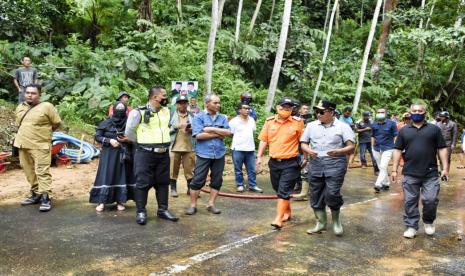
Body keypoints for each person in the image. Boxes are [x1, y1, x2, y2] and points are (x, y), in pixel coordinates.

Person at [391, 103, 449, 239]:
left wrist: (445, 168)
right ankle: (411, 226)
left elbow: (442, 148)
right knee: (410, 201)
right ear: (410, 113)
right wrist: (394, 170)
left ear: (425, 112)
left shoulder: (434, 129)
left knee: (430, 200)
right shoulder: (404, 131)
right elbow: (398, 149)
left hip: (430, 172)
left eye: (420, 110)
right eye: (414, 110)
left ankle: (428, 221)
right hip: (410, 173)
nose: (417, 112)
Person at [125, 86, 178, 225]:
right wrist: (142, 142)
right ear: (155, 97)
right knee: (142, 182)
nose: (166, 98)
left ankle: (162, 210)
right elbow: (129, 132)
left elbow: (172, 127)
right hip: (145, 153)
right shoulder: (138, 112)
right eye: (164, 95)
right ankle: (141, 211)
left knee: (163, 182)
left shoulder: (168, 111)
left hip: (163, 154)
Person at [300, 100, 355, 236]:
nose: (318, 114)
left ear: (331, 112)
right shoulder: (311, 126)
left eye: (322, 112)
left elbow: (351, 146)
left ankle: (336, 222)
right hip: (316, 164)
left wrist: (339, 151)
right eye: (317, 111)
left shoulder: (343, 126)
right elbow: (303, 143)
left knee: (332, 193)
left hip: (335, 164)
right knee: (316, 194)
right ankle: (321, 223)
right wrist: (309, 151)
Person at [256, 97, 304, 230]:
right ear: (278, 107)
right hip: (274, 162)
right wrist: (259, 156)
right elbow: (264, 140)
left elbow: (303, 141)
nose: (286, 109)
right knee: (279, 189)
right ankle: (287, 211)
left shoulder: (297, 122)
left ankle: (278, 218)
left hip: (291, 162)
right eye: (284, 106)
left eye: (289, 107)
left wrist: (306, 157)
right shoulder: (269, 122)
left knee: (283, 190)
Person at [15, 84, 61, 212]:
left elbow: (56, 123)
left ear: (39, 95)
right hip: (23, 145)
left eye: (33, 93)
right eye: (28, 92)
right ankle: (36, 194)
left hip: (40, 145)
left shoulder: (47, 106)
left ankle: (46, 197)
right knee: (28, 171)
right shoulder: (20, 107)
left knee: (42, 171)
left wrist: (44, 133)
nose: (30, 95)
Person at [185, 94, 232, 215]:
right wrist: (218, 133)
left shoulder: (222, 118)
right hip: (203, 154)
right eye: (215, 103)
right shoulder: (199, 117)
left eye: (219, 103)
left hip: (219, 154)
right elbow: (199, 136)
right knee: (198, 180)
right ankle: (193, 205)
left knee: (217, 180)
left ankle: (211, 204)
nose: (218, 105)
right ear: (207, 104)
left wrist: (209, 129)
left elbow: (228, 132)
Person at [90, 101, 135, 211]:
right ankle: (102, 201)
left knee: (121, 176)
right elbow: (98, 137)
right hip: (108, 155)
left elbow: (135, 138)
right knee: (107, 175)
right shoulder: (106, 123)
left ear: (125, 111)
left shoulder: (129, 124)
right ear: (114, 110)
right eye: (117, 110)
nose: (119, 112)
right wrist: (110, 140)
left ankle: (120, 201)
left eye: (122, 110)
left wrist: (127, 140)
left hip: (123, 154)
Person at [230, 102, 263, 193]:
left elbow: (253, 131)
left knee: (252, 169)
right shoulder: (233, 121)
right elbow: (230, 133)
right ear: (240, 110)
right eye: (245, 108)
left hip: (250, 149)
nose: (247, 110)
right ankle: (240, 185)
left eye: (248, 108)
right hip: (237, 149)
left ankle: (253, 185)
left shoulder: (252, 120)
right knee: (238, 169)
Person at [169, 95, 196, 197]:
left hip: (189, 146)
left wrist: (191, 129)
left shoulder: (192, 116)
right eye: (180, 103)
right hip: (174, 146)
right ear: (176, 105)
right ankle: (173, 189)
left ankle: (190, 188)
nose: (183, 105)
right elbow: (164, 130)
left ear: (187, 104)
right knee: (173, 169)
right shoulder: (171, 115)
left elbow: (197, 129)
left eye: (185, 103)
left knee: (190, 169)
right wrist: (176, 127)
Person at [371, 108, 398, 193]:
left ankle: (378, 184)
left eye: (382, 112)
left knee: (383, 166)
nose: (380, 114)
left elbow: (395, 136)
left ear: (386, 114)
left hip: (388, 148)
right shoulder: (374, 124)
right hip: (376, 148)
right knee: (381, 167)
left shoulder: (392, 124)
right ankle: (386, 183)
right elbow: (372, 136)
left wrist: (395, 147)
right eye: (378, 112)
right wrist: (372, 147)